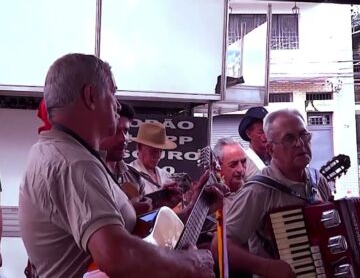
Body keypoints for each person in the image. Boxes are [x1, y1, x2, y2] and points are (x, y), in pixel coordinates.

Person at [18, 53, 215, 278]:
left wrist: (193, 211)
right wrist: (189, 264)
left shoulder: (55, 151)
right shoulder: (75, 163)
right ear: (90, 96)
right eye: (113, 92)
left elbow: (134, 234)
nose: (117, 104)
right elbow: (115, 254)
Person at [212, 109, 331, 278]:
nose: (300, 143)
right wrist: (266, 267)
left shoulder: (317, 180)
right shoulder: (258, 191)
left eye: (304, 135)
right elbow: (220, 245)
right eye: (289, 138)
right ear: (271, 148)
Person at [100, 102, 152, 215]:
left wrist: (164, 203)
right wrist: (128, 211)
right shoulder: (90, 173)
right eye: (115, 131)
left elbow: (146, 221)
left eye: (126, 131)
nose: (124, 139)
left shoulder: (134, 177)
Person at [213, 137, 246, 213]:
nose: (240, 169)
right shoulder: (208, 202)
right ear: (217, 166)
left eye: (243, 162)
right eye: (233, 164)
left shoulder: (254, 196)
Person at [238, 106, 270, 180]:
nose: (266, 136)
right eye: (261, 132)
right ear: (249, 134)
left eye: (268, 131)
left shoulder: (272, 160)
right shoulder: (243, 162)